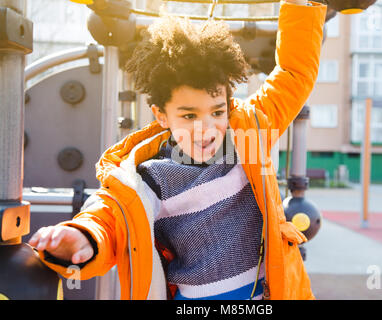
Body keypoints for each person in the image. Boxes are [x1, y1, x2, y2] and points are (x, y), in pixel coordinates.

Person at [28, 0, 326, 300]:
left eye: (217, 111)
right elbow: (108, 218)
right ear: (161, 115)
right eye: (189, 116)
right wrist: (84, 236)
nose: (206, 127)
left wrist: (303, 5)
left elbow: (293, 73)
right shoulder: (148, 178)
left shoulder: (249, 132)